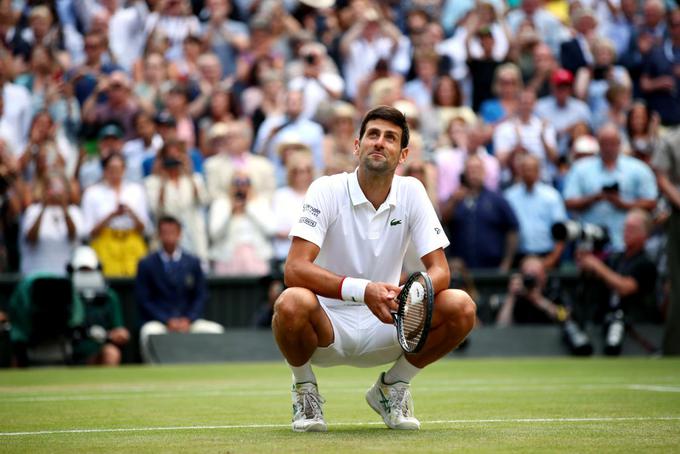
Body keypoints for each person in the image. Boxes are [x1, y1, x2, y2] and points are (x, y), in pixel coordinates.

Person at [272, 106, 476, 432]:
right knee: (291, 301)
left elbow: (440, 271)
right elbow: (294, 269)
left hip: (388, 322)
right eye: (373, 135)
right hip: (325, 328)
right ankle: (304, 389)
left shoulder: (412, 191)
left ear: (403, 154)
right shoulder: (325, 189)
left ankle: (393, 386)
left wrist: (409, 296)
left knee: (462, 306)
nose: (380, 143)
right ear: (358, 145)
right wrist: (364, 290)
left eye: (390, 138)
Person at [135, 215, 224, 363]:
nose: (169, 236)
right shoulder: (146, 264)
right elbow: (144, 300)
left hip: (188, 321)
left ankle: (207, 367)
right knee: (148, 332)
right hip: (159, 322)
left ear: (179, 234)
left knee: (216, 331)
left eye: (172, 231)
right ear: (159, 235)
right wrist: (166, 320)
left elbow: (200, 295)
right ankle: (153, 368)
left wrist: (188, 319)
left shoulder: (193, 262)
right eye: (165, 232)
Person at [575, 209, 659, 354]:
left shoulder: (646, 262)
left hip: (636, 323)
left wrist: (597, 266)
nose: (626, 232)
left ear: (645, 235)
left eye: (632, 228)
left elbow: (626, 287)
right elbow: (595, 277)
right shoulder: (615, 258)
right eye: (625, 227)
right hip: (605, 319)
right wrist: (586, 263)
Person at [563, 123, 657, 252]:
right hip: (591, 243)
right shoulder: (580, 168)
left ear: (620, 143)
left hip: (626, 245)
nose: (608, 148)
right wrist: (594, 198)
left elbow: (651, 202)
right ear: (598, 143)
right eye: (604, 143)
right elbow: (568, 202)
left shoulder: (638, 169)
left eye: (612, 143)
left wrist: (623, 204)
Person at [69, 245, 130, 366]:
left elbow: (119, 330)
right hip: (73, 348)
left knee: (111, 353)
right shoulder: (68, 297)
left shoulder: (110, 296)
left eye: (89, 270)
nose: (86, 274)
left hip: (100, 347)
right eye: (82, 270)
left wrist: (113, 334)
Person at [651, 127, 680, 355]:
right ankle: (673, 350)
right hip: (678, 216)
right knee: (677, 285)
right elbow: (661, 177)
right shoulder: (671, 139)